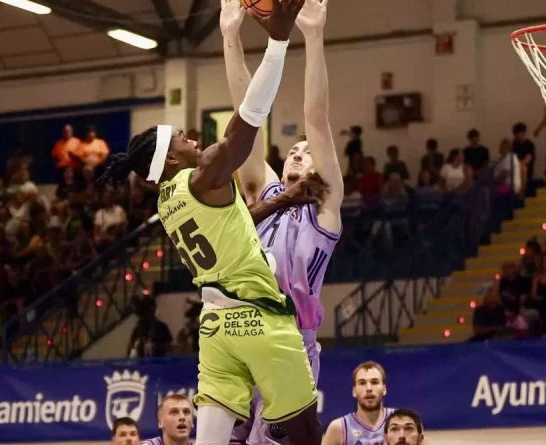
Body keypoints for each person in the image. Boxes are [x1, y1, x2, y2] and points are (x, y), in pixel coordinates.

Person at [98, 3, 319, 445]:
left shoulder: (169, 201)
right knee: (307, 435)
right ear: (171, 159)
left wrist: (283, 202)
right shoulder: (206, 173)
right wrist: (277, 38)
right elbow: (252, 114)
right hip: (259, 319)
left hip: (216, 330)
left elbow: (234, 224)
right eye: (183, 138)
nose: (193, 139)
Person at [222, 0, 343, 444]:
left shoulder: (325, 205)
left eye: (307, 150)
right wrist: (229, 36)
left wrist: (313, 35)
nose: (298, 150)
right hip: (243, 336)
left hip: (292, 345)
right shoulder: (265, 191)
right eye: (294, 148)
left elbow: (317, 117)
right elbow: (245, 117)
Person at [321, 362, 394, 445]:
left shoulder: (401, 421)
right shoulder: (338, 428)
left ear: (384, 389)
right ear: (354, 391)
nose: (369, 388)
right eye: (362, 383)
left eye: (374, 382)